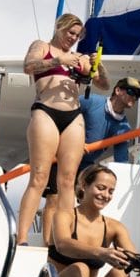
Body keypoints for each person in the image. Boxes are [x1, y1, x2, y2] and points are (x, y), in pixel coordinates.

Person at [16, 13, 107, 246]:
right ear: (59, 28)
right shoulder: (42, 46)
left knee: (68, 181)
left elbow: (104, 85)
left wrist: (98, 67)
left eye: (77, 35)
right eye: (70, 33)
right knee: (39, 177)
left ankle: (63, 238)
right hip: (45, 110)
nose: (73, 38)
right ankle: (23, 237)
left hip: (73, 115)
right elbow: (28, 66)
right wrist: (58, 62)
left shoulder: (79, 57)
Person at [41, 77, 140, 245]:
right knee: (54, 198)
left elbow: (121, 161)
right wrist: (72, 140)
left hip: (85, 165)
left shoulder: (124, 128)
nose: (133, 97)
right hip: (62, 156)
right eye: (131, 92)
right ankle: (47, 246)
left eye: (137, 96)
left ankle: (64, 243)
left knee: (77, 202)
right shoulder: (91, 102)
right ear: (118, 91)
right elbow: (61, 116)